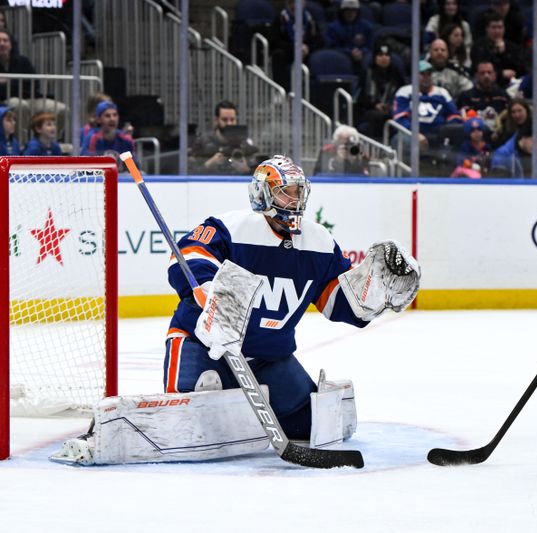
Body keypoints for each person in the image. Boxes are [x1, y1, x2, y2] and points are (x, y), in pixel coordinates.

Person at [51, 155, 421, 465]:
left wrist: (373, 298)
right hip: (203, 346)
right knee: (184, 426)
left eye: (298, 192)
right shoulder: (230, 226)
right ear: (263, 193)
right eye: (284, 191)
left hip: (269, 358)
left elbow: (337, 302)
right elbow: (189, 257)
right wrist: (210, 293)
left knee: (312, 425)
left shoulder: (320, 241)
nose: (294, 200)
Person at [391, 60, 462, 151]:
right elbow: (399, 118)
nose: (426, 77)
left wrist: (444, 132)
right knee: (402, 140)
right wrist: (415, 134)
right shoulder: (405, 92)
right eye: (422, 74)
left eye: (429, 74)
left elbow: (454, 115)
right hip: (411, 134)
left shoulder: (442, 93)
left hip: (438, 135)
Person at [189, 100, 257, 175]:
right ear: (216, 120)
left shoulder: (243, 143)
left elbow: (258, 175)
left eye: (232, 119)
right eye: (225, 120)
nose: (229, 123)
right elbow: (189, 173)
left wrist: (246, 170)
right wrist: (208, 165)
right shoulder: (202, 141)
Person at [356, 41, 405, 140]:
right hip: (370, 111)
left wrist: (390, 105)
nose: (384, 58)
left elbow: (402, 93)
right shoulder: (367, 73)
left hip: (391, 111)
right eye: (380, 55)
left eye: (387, 55)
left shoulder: (396, 74)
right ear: (375, 57)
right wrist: (375, 105)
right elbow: (360, 99)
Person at [471, 12, 526, 89]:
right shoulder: (478, 46)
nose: (497, 31)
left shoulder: (512, 47)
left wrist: (503, 53)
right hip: (486, 84)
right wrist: (501, 73)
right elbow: (478, 67)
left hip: (511, 84)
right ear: (487, 29)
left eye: (500, 27)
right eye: (493, 27)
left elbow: (520, 68)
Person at [456, 61, 509, 131]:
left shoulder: (503, 95)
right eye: (482, 73)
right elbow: (464, 119)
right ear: (476, 76)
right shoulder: (466, 96)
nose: (486, 76)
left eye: (489, 72)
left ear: (495, 75)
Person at [324, 0, 373, 71]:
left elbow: (370, 46)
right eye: (347, 11)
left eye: (353, 11)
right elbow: (331, 47)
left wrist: (362, 51)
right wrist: (349, 52)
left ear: (358, 12)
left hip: (361, 58)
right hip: (340, 59)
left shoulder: (367, 27)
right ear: (342, 12)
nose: (351, 14)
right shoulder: (333, 27)